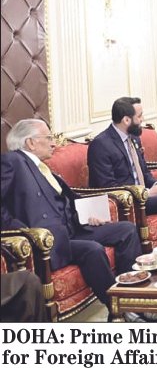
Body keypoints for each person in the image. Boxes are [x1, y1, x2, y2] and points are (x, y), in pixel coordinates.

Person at [1, 119, 142, 310]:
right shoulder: (13, 161)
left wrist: (89, 214)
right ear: (31, 142)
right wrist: (23, 231)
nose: (54, 143)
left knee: (127, 230)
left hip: (74, 227)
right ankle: (120, 307)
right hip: (50, 241)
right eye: (48, 138)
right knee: (93, 250)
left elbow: (67, 198)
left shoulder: (42, 167)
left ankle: (131, 293)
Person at [88, 97, 157, 239]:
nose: (142, 119)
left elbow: (144, 171)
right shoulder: (101, 145)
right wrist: (147, 193)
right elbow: (107, 186)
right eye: (139, 116)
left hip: (144, 193)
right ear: (126, 120)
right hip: (127, 201)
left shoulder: (133, 137)